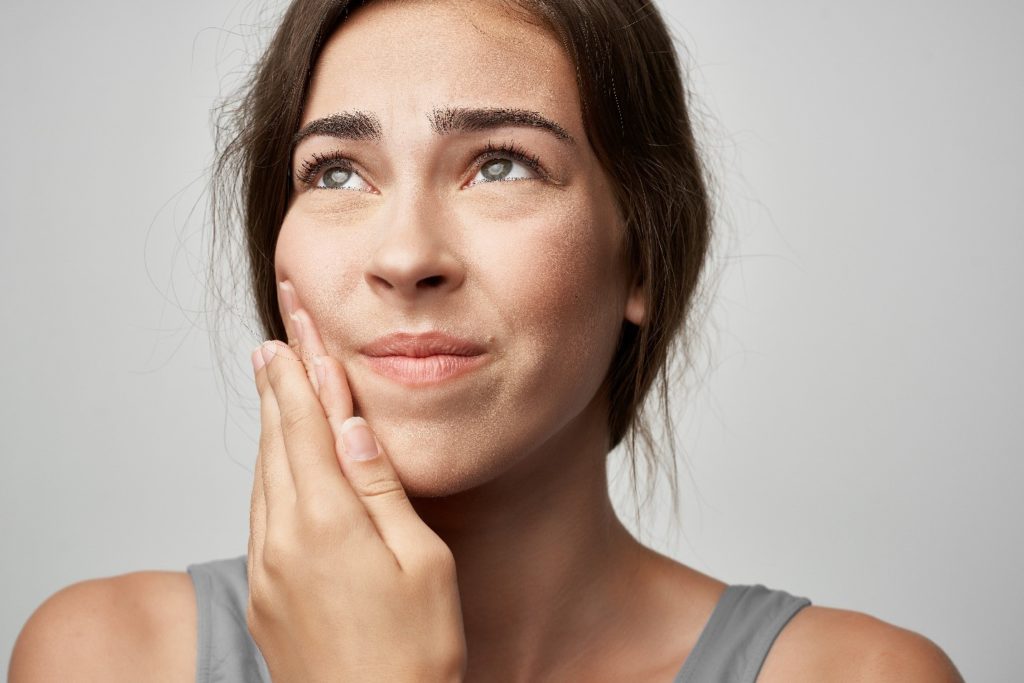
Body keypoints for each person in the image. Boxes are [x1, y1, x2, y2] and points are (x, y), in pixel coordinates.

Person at [9, 0, 964, 680]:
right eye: (337, 173)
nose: (407, 255)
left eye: (500, 164)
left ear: (643, 257)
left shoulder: (862, 673)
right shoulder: (104, 656)